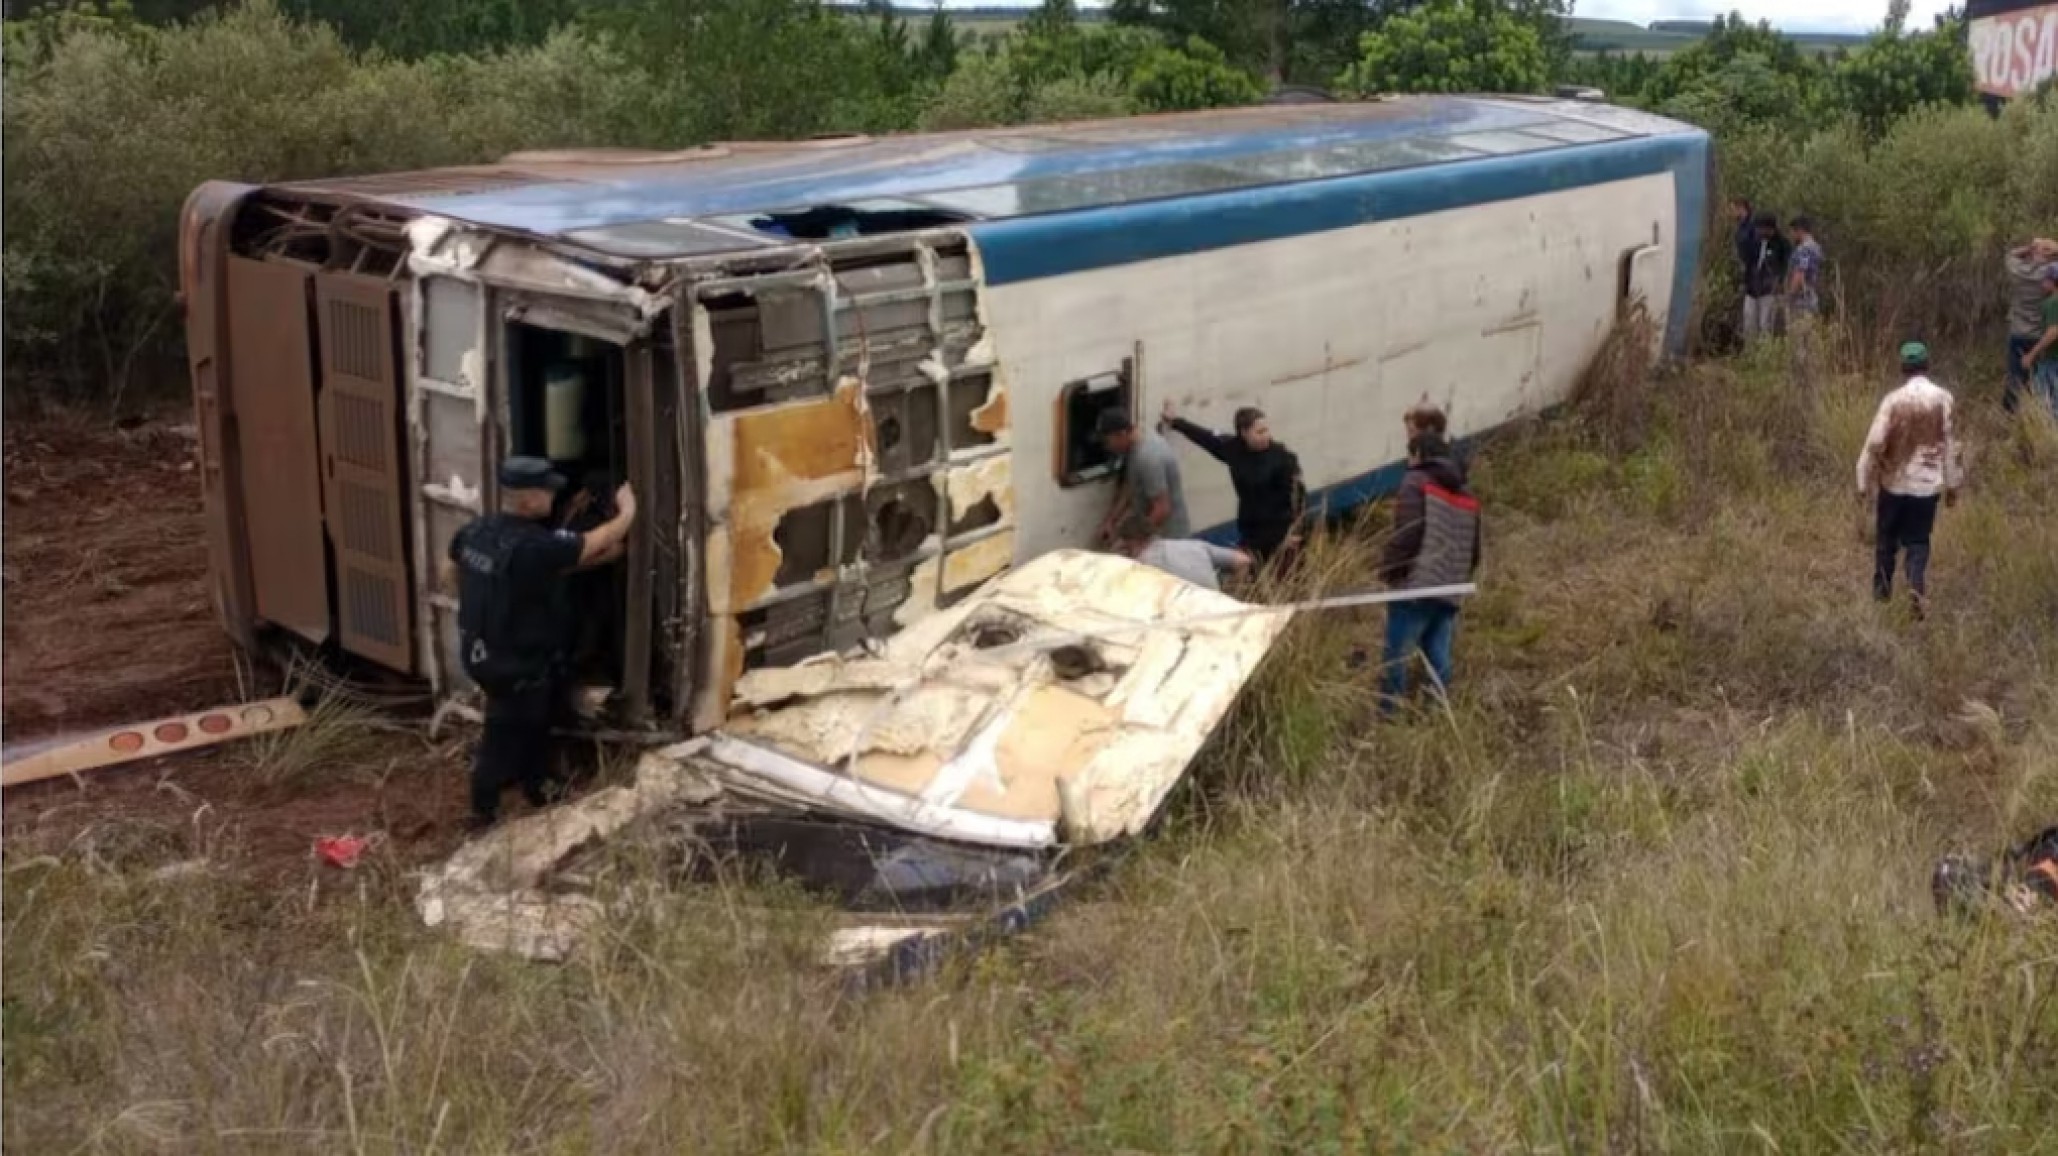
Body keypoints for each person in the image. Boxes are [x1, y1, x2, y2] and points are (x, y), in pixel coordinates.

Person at [443, 456, 637, 830]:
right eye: (548, 491)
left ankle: (539, 786)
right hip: (515, 663)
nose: (554, 496)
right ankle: (482, 813)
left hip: (485, 653)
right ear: (528, 501)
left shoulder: (479, 531)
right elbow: (594, 541)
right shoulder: (535, 545)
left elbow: (451, 569)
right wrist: (627, 511)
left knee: (537, 718)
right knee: (503, 733)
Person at [1374, 430, 1482, 715]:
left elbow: (1407, 533)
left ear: (1418, 454)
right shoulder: (1466, 491)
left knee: (1396, 653)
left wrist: (1390, 570)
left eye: (1409, 455)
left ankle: (1390, 714)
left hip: (1417, 584)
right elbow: (1474, 547)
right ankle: (1437, 710)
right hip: (1450, 587)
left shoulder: (1415, 481)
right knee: (1438, 652)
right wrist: (1459, 579)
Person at [1856, 342, 1960, 618]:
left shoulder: (1893, 400)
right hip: (1926, 488)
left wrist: (1863, 482)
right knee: (1918, 541)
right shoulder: (1944, 399)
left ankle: (1882, 595)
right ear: (1927, 365)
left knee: (1886, 540)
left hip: (1893, 484)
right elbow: (1950, 446)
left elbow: (1875, 443)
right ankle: (1915, 588)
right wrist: (1952, 486)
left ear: (1903, 368)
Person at [1158, 400, 1305, 565]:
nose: (1266, 436)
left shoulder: (1283, 458)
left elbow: (1298, 496)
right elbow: (1206, 438)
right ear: (1244, 433)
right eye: (1259, 432)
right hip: (1251, 531)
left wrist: (1294, 532)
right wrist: (1175, 422)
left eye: (1266, 430)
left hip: (1280, 534)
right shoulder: (1234, 450)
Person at [1093, 406, 1190, 544]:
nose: (1107, 447)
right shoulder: (1134, 445)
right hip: (1153, 533)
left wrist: (1135, 539)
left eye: (1107, 441)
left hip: (1168, 539)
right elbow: (1130, 486)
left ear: (1122, 434)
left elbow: (1162, 508)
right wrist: (1111, 521)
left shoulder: (1147, 458)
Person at [1111, 514, 1251, 592]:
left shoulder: (1142, 566)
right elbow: (1243, 560)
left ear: (1136, 541)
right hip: (1219, 607)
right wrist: (1232, 594)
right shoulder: (1195, 546)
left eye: (1127, 547)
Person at [2003, 238, 2058, 413]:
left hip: (2018, 332)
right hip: (2039, 335)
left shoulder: (2019, 271)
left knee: (2015, 375)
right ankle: (2036, 414)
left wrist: (2029, 248)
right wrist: (2052, 249)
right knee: (2038, 378)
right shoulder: (2049, 274)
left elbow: (2010, 255)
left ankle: (2013, 412)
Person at [1740, 210, 1790, 344]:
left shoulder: (1782, 244)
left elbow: (1785, 266)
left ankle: (1764, 357)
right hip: (1752, 289)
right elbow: (1746, 258)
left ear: (1770, 228)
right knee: (1749, 323)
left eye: (1761, 229)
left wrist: (1779, 282)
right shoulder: (1753, 241)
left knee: (1765, 325)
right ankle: (1750, 356)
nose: (1759, 232)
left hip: (1769, 292)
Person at [2019, 262, 2058, 415]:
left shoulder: (2052, 303)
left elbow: (2053, 332)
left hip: (2052, 361)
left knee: (2045, 401)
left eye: (2045, 279)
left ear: (2052, 281)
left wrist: (2031, 355)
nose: (2042, 283)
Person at [1785, 215, 1825, 365]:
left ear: (1799, 230)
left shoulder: (1803, 250)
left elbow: (1799, 274)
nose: (1791, 235)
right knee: (1810, 340)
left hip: (1801, 301)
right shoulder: (1816, 248)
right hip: (1812, 299)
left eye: (1792, 232)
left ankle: (1800, 376)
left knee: (1798, 342)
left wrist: (1790, 295)